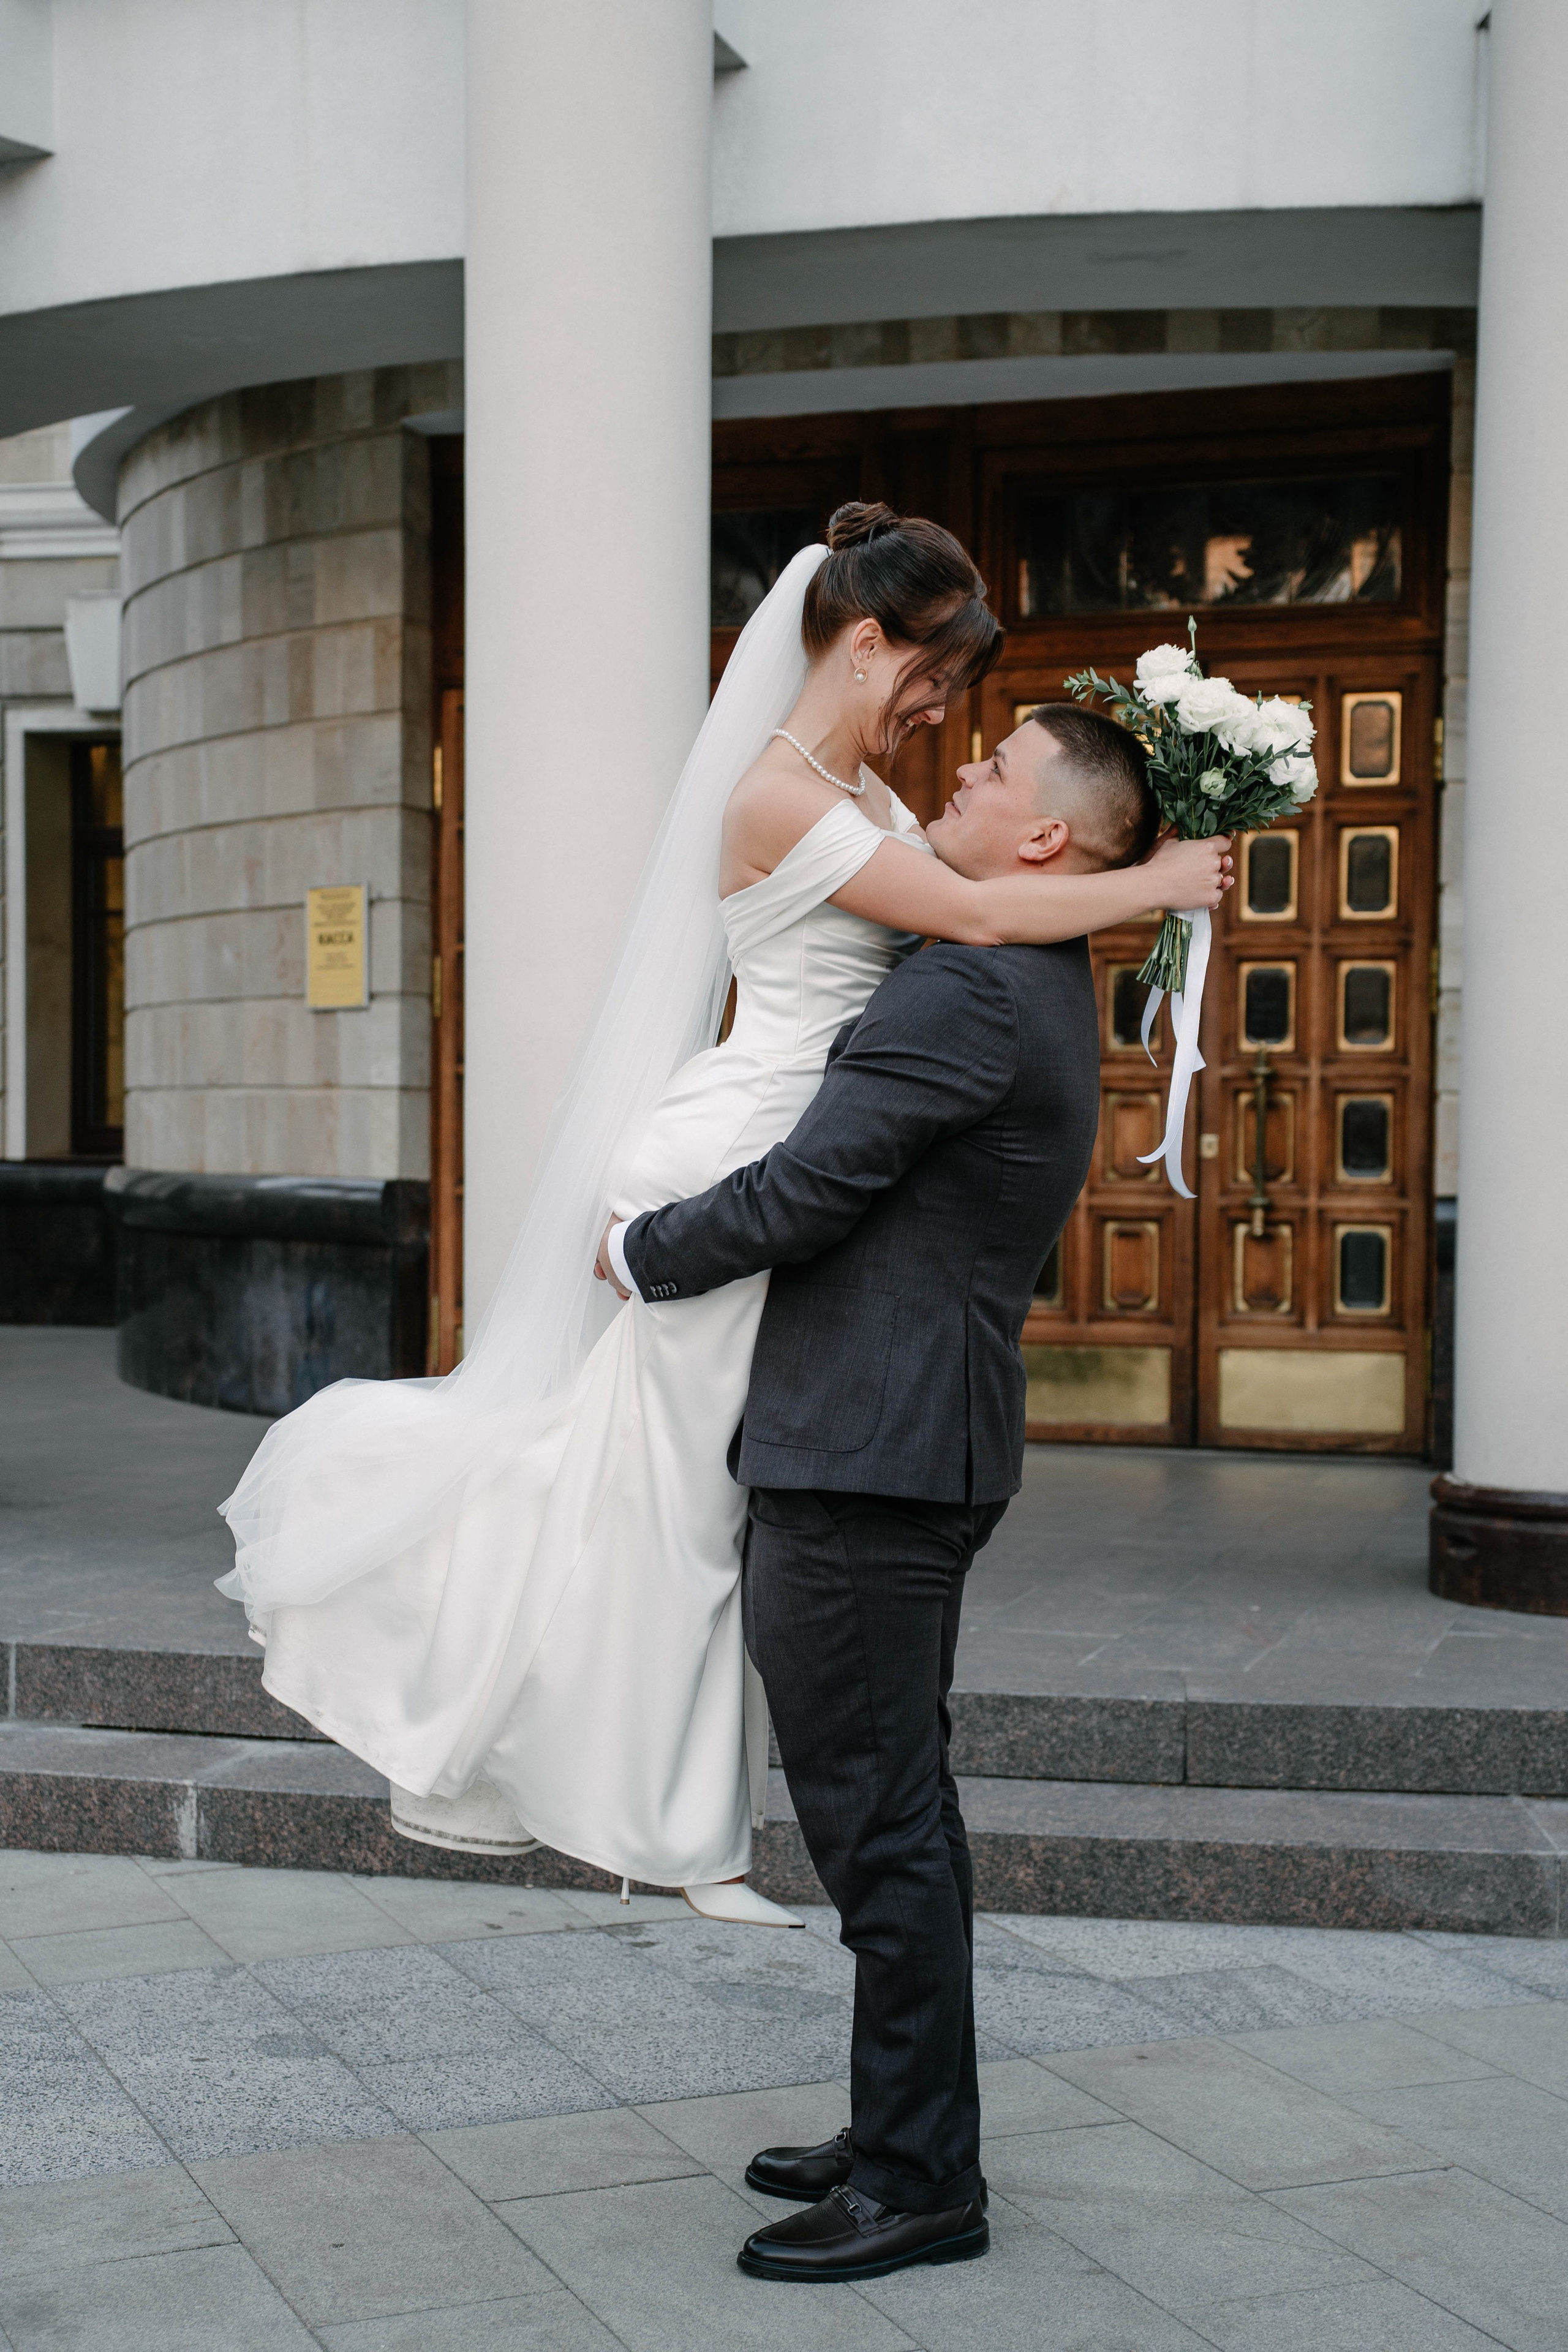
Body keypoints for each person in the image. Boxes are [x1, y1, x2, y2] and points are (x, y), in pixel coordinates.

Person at [217, 505, 1229, 1929]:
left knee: (692, 1510)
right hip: (732, 1153)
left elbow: (976, 906)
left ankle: (686, 1831)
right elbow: (987, 916)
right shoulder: (774, 797)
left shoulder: (860, 796)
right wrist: (1161, 884)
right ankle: (659, 1821)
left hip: (773, 1145)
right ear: (867, 644)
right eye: (936, 681)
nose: (943, 716)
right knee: (671, 1514)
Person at [597, 709, 1131, 2281]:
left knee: (879, 1829)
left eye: (989, 772)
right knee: (905, 1813)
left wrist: (644, 1250)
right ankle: (904, 2123)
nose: (957, 774)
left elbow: (814, 1182)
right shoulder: (1023, 963)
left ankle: (917, 2184)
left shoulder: (968, 981)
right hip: (908, 1439)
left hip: (868, 1452)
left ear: (1042, 839)